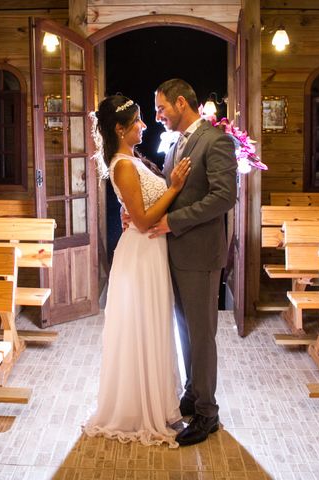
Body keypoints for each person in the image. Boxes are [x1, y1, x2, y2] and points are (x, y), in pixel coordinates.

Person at [82, 95, 191, 447]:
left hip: (149, 252)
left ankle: (157, 403)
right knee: (144, 327)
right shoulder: (123, 165)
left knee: (153, 326)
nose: (144, 126)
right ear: (119, 128)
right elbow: (143, 220)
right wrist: (174, 187)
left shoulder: (130, 160)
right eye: (138, 121)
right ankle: (139, 409)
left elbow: (138, 209)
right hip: (141, 253)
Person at [148, 79, 237, 446]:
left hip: (200, 253)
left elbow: (224, 197)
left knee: (202, 336)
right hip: (178, 253)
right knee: (185, 330)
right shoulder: (177, 144)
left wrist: (174, 221)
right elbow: (175, 190)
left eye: (161, 108)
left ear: (181, 102)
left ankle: (207, 414)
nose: (158, 116)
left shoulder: (216, 141)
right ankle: (191, 393)